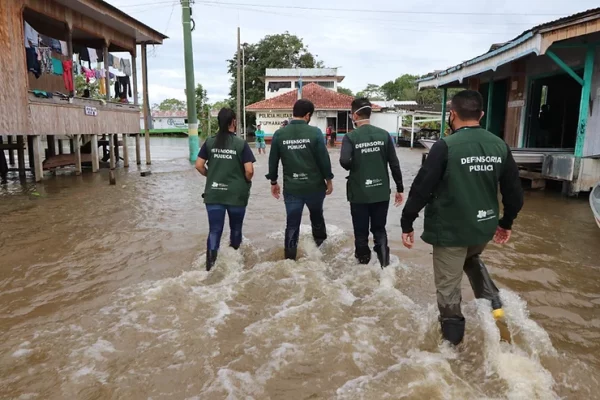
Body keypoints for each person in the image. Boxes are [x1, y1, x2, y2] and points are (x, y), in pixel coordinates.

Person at [401, 90, 524, 346]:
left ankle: (451, 351)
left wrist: (407, 221)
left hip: (451, 232)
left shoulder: (445, 146)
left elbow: (422, 187)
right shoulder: (499, 145)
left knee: (448, 291)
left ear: (452, 115)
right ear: (480, 115)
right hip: (483, 228)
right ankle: (497, 308)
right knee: (471, 257)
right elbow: (514, 193)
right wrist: (506, 222)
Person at [266, 99, 334, 260]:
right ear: (308, 115)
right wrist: (329, 180)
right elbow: (324, 159)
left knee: (292, 224)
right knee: (317, 219)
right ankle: (321, 256)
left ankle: (289, 261)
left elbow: (273, 160)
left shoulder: (279, 133)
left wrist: (273, 182)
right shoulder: (315, 132)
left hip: (292, 188)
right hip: (315, 187)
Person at [340, 98, 404, 268]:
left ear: (354, 115)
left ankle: (362, 269)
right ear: (370, 113)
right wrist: (400, 188)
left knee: (361, 233)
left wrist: (357, 163)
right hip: (381, 192)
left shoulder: (350, 137)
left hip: (359, 193)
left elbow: (344, 161)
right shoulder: (384, 135)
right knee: (379, 230)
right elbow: (394, 163)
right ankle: (385, 268)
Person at [195, 108, 256, 271]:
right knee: (236, 229)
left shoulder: (209, 142)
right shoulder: (240, 143)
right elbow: (249, 171)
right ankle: (236, 264)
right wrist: (244, 182)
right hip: (236, 195)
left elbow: (199, 165)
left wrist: (212, 176)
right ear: (233, 122)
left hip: (214, 194)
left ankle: (210, 268)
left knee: (214, 230)